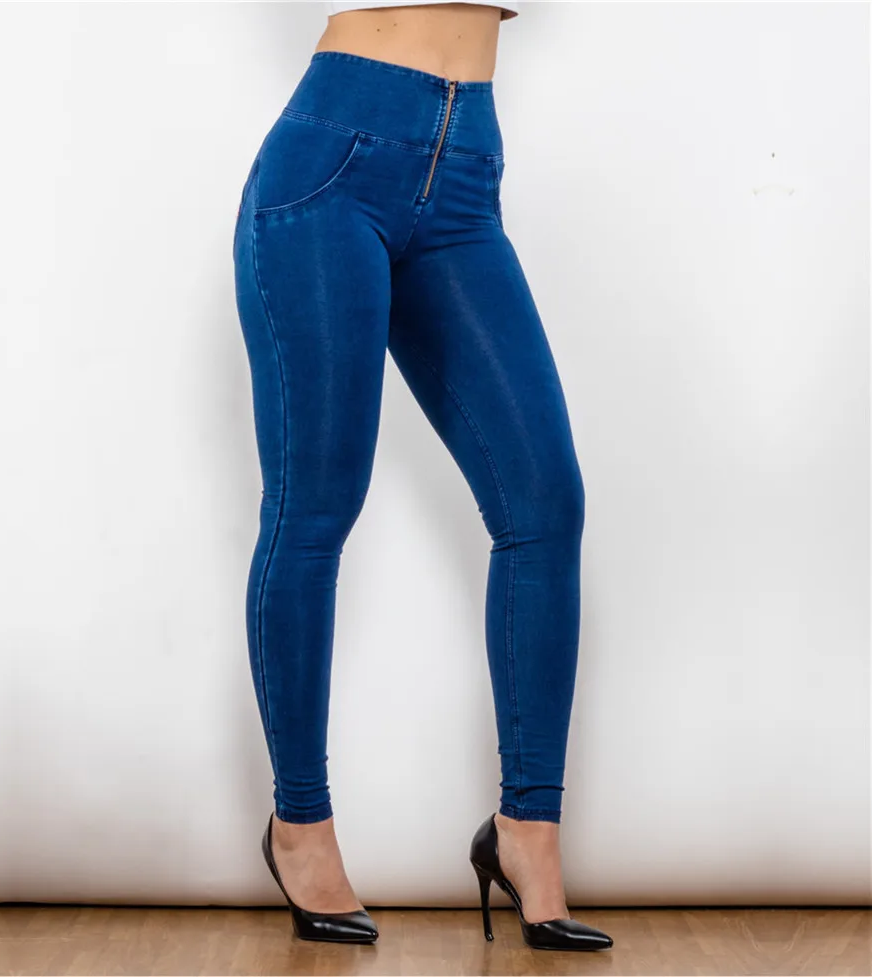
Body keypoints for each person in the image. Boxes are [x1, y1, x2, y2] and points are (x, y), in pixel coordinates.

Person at [233, 1, 613, 951]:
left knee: (543, 503)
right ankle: (299, 823)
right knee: (314, 506)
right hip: (332, 159)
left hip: (467, 170)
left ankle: (526, 833)